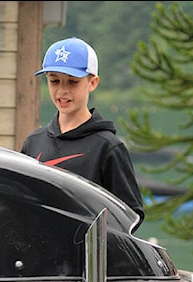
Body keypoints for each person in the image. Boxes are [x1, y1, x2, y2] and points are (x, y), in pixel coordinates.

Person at [21, 36, 145, 220]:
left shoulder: (108, 147)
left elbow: (130, 216)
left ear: (92, 83)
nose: (62, 90)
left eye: (72, 82)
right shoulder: (33, 142)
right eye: (54, 81)